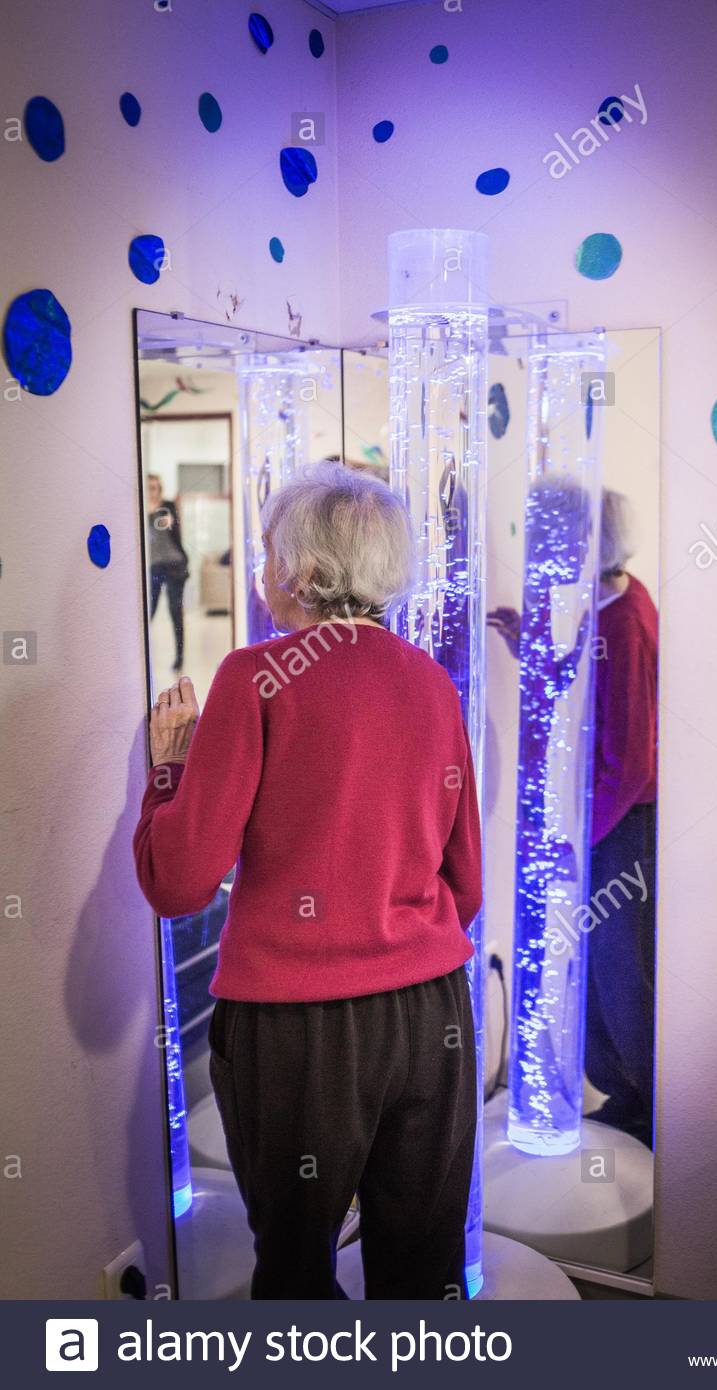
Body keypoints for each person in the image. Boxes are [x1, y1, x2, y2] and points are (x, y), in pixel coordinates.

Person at [134, 461, 482, 1300]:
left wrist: (169, 770)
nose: (261, 567)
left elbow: (179, 883)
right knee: (424, 1274)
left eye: (267, 549)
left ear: (302, 568)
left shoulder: (253, 678)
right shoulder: (432, 683)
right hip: (431, 1014)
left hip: (297, 1030)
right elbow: (465, 884)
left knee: (296, 1276)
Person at [488, 488, 658, 1147]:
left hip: (622, 826)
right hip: (609, 822)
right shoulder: (609, 608)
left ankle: (645, 1109)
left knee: (619, 971)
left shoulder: (626, 623)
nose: (541, 552)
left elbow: (631, 763)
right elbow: (578, 683)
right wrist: (529, 646)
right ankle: (627, 1099)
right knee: (602, 966)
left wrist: (581, 841)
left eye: (551, 537)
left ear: (587, 542)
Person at [147, 474, 189, 673]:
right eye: (148, 487)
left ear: (160, 489)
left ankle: (179, 657)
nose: (152, 491)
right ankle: (139, 651)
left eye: (155, 487)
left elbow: (174, 523)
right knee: (149, 610)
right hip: (154, 566)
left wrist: (171, 519)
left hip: (174, 564)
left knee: (175, 611)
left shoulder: (168, 507)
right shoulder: (138, 509)